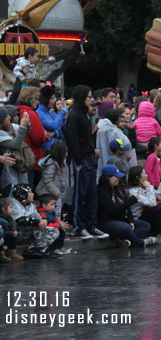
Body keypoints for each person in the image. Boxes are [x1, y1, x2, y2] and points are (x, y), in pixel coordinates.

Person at [66, 85, 107, 239]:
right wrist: (78, 160)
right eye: (89, 97)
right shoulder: (75, 115)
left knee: (91, 194)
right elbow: (73, 140)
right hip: (81, 160)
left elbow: (85, 138)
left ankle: (91, 225)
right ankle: (79, 226)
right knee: (80, 195)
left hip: (89, 158)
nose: (91, 100)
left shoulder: (84, 115)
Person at [97, 165, 155, 248]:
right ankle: (139, 242)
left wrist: (130, 220)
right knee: (125, 228)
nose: (118, 179)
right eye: (116, 176)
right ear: (108, 177)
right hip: (107, 222)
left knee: (145, 225)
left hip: (122, 219)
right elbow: (114, 211)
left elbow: (128, 209)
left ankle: (124, 240)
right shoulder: (101, 191)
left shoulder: (118, 189)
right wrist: (131, 200)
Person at [10, 184, 60, 258]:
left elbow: (38, 218)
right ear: (23, 194)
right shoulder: (14, 204)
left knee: (55, 231)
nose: (33, 194)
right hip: (18, 233)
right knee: (33, 221)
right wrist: (38, 222)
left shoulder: (30, 205)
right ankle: (32, 250)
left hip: (31, 233)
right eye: (30, 192)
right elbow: (20, 220)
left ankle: (37, 249)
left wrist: (43, 221)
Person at [126, 166, 161, 242]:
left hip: (144, 214)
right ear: (138, 177)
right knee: (158, 209)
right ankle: (156, 235)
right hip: (137, 218)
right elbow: (152, 203)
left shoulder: (144, 188)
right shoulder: (133, 192)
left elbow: (159, 196)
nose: (147, 176)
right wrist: (149, 187)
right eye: (145, 174)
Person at [16, 86, 51, 187]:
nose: (38, 102)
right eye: (36, 98)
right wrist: (45, 135)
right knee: (30, 192)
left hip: (19, 160)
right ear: (30, 98)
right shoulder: (30, 114)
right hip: (31, 159)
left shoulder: (16, 110)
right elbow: (38, 138)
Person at [96, 108, 132, 179]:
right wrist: (121, 146)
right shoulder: (115, 131)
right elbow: (127, 144)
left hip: (103, 158)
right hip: (118, 159)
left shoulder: (100, 129)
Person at [0, 106, 30, 190]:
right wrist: (23, 126)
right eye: (6, 116)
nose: (10, 117)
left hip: (16, 170)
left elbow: (25, 130)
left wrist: (26, 123)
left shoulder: (10, 127)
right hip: (7, 175)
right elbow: (15, 144)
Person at [35, 141, 66, 214]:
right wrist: (57, 193)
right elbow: (47, 180)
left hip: (52, 193)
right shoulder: (51, 164)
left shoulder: (57, 163)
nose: (66, 154)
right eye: (65, 152)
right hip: (46, 193)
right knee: (51, 212)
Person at [37, 85, 68, 152]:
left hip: (57, 150)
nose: (54, 101)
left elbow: (61, 127)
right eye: (52, 98)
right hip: (48, 152)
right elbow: (53, 125)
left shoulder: (50, 112)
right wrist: (64, 111)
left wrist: (54, 133)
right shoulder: (39, 113)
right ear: (45, 100)